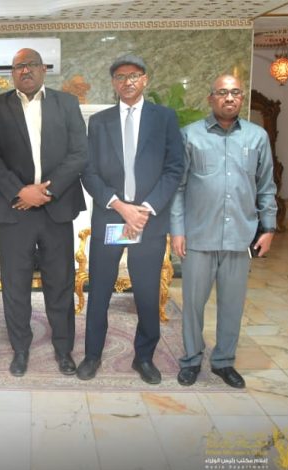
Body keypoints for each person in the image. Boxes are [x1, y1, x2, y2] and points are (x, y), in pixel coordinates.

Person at [0, 48, 88, 377]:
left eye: (31, 65)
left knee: (60, 282)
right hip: (15, 210)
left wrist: (46, 192)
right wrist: (21, 191)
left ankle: (63, 349)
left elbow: (79, 153)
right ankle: (21, 349)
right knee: (15, 285)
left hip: (57, 207)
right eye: (18, 66)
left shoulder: (66, 103)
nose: (25, 71)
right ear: (12, 73)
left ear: (43, 69)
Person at [80, 54, 184, 384]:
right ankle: (92, 355)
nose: (128, 82)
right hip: (111, 218)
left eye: (134, 75)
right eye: (121, 76)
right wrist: (120, 206)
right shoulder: (99, 122)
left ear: (145, 80)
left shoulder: (164, 118)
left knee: (146, 291)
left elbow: (174, 168)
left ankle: (144, 357)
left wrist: (146, 209)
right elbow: (88, 172)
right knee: (99, 289)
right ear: (113, 83)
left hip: (148, 222)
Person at [171, 74, 277, 389]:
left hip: (239, 238)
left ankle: (223, 362)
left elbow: (266, 186)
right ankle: (191, 360)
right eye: (222, 92)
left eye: (235, 92)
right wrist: (177, 230)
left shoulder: (257, 137)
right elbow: (178, 188)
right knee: (193, 304)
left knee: (232, 305)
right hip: (198, 237)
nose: (229, 98)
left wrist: (269, 227)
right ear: (211, 98)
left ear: (241, 98)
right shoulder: (190, 135)